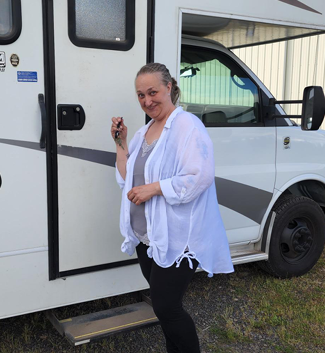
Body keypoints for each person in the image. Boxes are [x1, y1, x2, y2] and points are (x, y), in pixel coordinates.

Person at [111, 63, 234, 353]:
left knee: (167, 307)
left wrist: (154, 188)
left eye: (153, 92)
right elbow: (127, 177)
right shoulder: (144, 132)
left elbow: (199, 175)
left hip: (179, 239)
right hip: (148, 238)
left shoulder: (187, 126)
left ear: (169, 88)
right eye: (140, 95)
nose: (147, 101)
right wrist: (120, 143)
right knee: (163, 308)